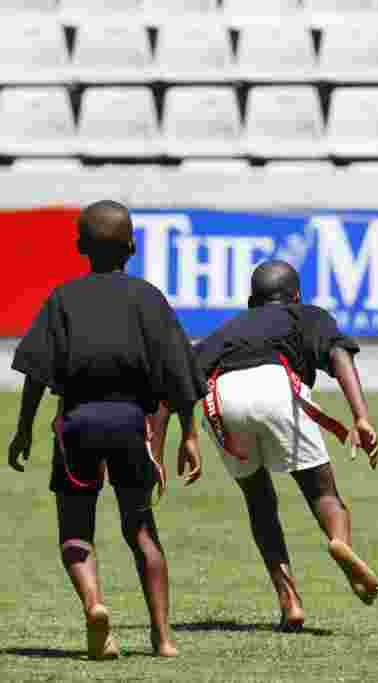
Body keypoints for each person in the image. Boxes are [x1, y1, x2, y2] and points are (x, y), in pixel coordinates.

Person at [7, 200, 206, 659]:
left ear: (79, 246)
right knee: (141, 530)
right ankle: (163, 638)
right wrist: (190, 434)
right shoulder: (148, 297)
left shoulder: (63, 298)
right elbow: (179, 371)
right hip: (132, 425)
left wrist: (23, 430)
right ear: (133, 246)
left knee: (76, 529)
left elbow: (36, 371)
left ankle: (96, 604)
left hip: (76, 423)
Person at [152, 259, 378, 631]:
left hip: (221, 398)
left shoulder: (227, 329)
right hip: (276, 387)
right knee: (322, 492)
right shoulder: (305, 314)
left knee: (259, 501)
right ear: (295, 296)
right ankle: (339, 542)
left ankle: (289, 602)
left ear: (249, 301)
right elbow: (340, 354)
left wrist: (172, 446)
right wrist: (361, 416)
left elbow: (174, 389)